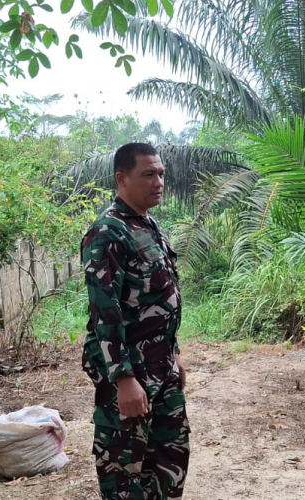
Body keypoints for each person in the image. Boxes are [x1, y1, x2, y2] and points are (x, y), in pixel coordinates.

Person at [81, 142, 190, 499]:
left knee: (168, 459)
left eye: (161, 174)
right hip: (131, 371)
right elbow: (105, 313)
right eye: (148, 174)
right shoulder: (107, 233)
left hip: (161, 366)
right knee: (125, 470)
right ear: (121, 179)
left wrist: (173, 354)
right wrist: (124, 379)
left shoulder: (149, 225)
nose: (158, 182)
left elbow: (158, 299)